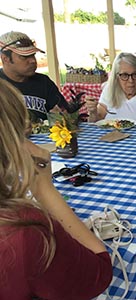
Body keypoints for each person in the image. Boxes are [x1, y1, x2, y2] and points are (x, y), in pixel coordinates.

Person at [0, 79, 112, 299]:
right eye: (23, 135)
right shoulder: (24, 227)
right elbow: (99, 272)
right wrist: (45, 189)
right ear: (10, 144)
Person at [0, 31, 70, 122]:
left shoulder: (44, 82)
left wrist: (61, 116)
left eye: (33, 55)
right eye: (24, 57)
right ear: (5, 59)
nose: (32, 60)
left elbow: (66, 114)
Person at [86, 52, 136, 125]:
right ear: (116, 77)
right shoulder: (109, 90)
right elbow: (96, 123)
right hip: (110, 138)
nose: (131, 81)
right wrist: (93, 112)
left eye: (135, 74)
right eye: (124, 75)